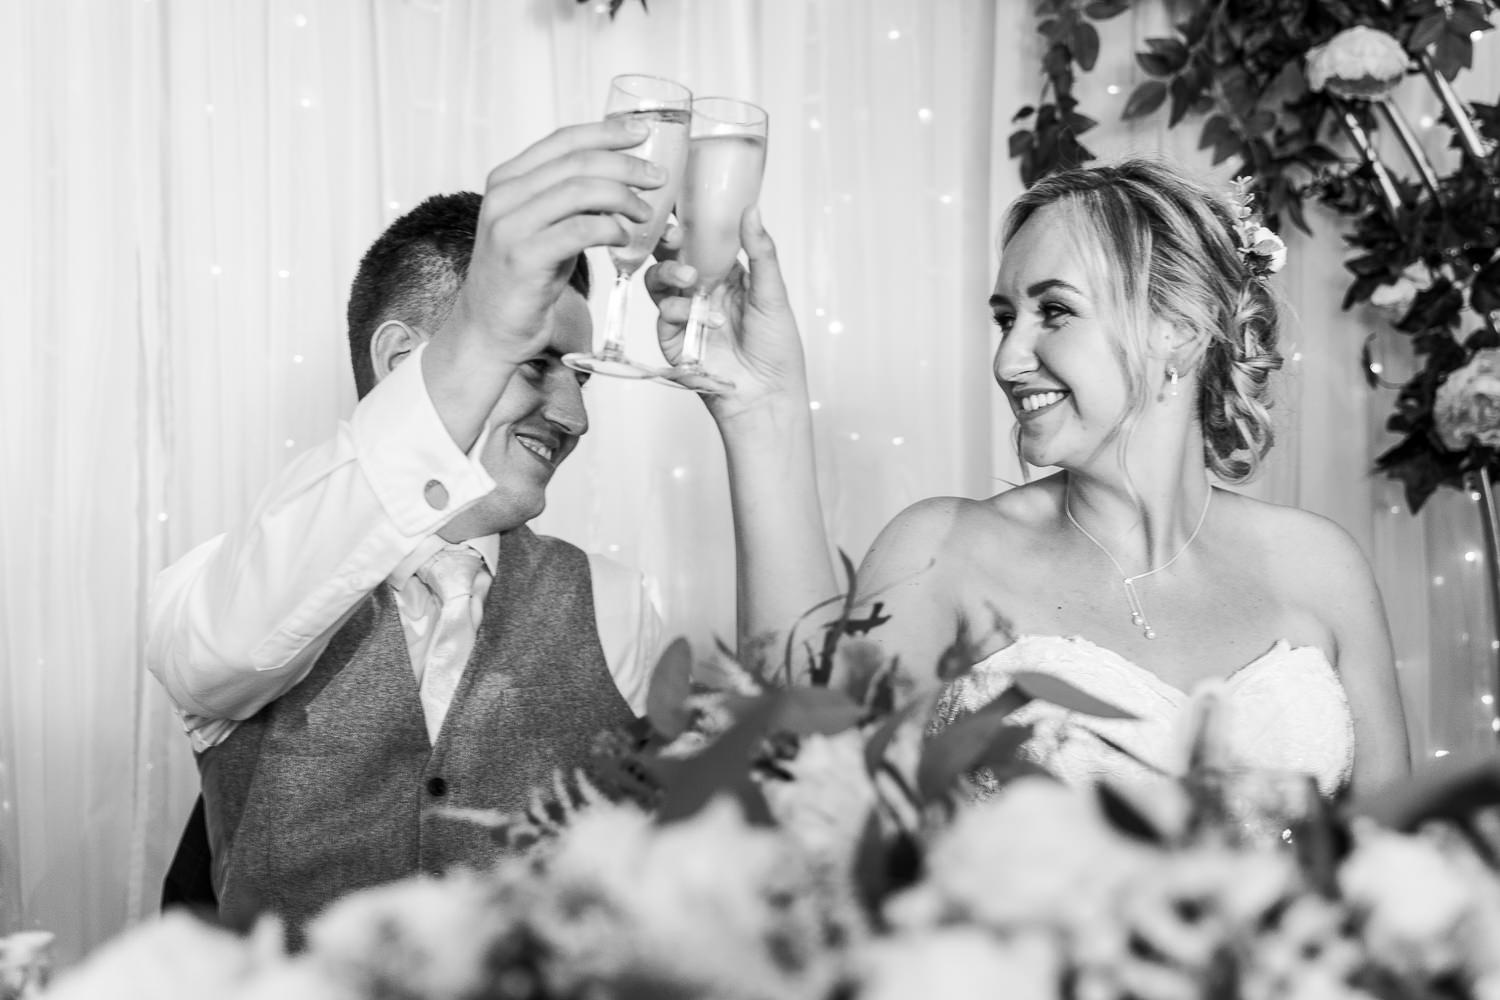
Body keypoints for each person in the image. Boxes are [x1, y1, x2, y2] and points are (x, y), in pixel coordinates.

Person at [646, 157, 1410, 800]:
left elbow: (1400, 875)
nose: (1009, 359)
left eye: (1054, 311)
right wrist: (759, 408)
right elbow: (805, 770)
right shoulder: (946, 548)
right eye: (1005, 317)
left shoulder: (1321, 565)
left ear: (1175, 327)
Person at [148, 118, 687, 935]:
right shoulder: (222, 589)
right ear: (403, 361)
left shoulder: (621, 605)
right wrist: (485, 328)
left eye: (581, 377)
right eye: (536, 362)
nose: (575, 415)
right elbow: (231, 641)